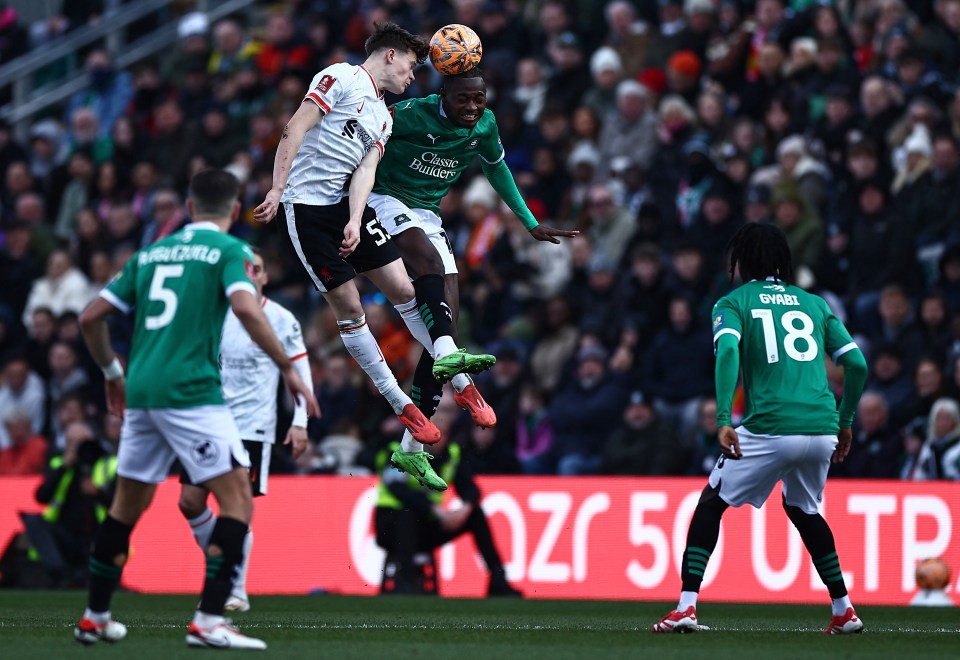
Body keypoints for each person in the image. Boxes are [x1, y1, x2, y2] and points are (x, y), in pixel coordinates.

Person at [73, 168, 318, 650]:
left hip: (141, 390)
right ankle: (210, 621)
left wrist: (112, 374)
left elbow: (89, 317)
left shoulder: (149, 253)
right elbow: (248, 310)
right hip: (192, 393)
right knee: (237, 503)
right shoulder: (232, 252)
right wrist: (287, 368)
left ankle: (95, 616)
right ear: (233, 211)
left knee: (125, 509)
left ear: (187, 209)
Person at [254, 23, 494, 492]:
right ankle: (400, 401)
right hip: (305, 211)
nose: (413, 75)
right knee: (351, 310)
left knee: (406, 290)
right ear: (389, 56)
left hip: (346, 209)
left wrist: (355, 217)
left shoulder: (384, 117)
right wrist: (278, 188)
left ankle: (460, 382)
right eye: (411, 65)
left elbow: (365, 170)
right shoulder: (339, 78)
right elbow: (294, 127)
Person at [653, 223, 868, 635]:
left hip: (770, 425)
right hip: (822, 427)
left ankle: (685, 606)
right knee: (803, 508)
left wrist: (721, 420)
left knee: (711, 503)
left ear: (742, 262)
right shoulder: (815, 304)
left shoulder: (733, 303)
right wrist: (846, 422)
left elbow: (729, 350)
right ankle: (844, 610)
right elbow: (856, 364)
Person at [367, 67, 577, 481]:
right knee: (426, 265)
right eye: (463, 99)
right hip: (383, 197)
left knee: (445, 320)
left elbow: (497, 168)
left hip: (426, 211)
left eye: (478, 99)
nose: (472, 107)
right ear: (444, 93)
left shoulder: (485, 123)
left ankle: (410, 449)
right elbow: (362, 145)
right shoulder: (407, 115)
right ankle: (463, 384)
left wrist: (529, 221)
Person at [177, 248, 313, 613]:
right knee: (189, 502)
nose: (249, 273)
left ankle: (233, 588)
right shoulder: (214, 315)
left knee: (233, 507)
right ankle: (223, 566)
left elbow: (300, 371)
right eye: (242, 268)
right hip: (208, 423)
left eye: (256, 268)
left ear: (265, 277)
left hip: (252, 428)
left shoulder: (281, 319)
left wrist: (300, 422)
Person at [373, 411, 521, 598]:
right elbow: (397, 488)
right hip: (390, 525)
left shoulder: (452, 454)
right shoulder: (399, 450)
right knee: (407, 511)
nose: (435, 440)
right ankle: (404, 582)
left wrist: (465, 509)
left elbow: (470, 489)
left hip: (426, 526)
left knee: (475, 513)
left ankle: (499, 581)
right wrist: (433, 509)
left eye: (440, 434)